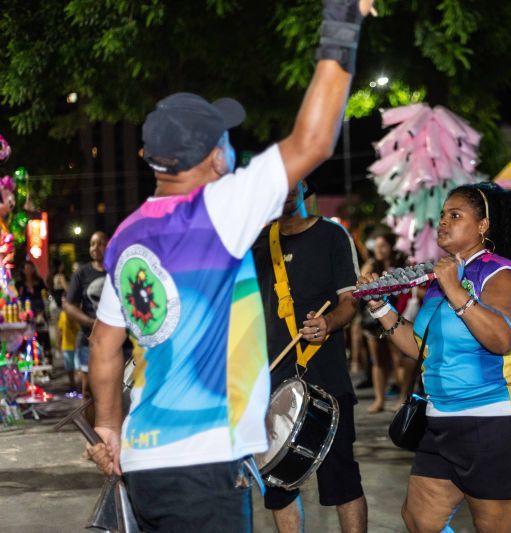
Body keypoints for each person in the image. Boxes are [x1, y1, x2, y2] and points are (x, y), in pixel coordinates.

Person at [83, 2, 374, 530]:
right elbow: (314, 142)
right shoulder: (220, 209)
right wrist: (343, 20)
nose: (233, 149)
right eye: (227, 139)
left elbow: (105, 346)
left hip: (144, 462)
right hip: (204, 464)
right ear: (214, 156)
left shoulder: (126, 237)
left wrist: (107, 429)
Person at [360, 182, 511, 533]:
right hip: (442, 420)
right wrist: (380, 308)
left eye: (456, 215)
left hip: (497, 421)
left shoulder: (502, 274)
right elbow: (423, 348)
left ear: (483, 226)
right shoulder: (440, 278)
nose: (443, 222)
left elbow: (501, 339)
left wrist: (456, 291)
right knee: (420, 520)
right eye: (443, 215)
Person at [251, 179, 366, 533]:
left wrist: (328, 323)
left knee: (341, 480)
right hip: (270, 380)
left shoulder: (332, 236)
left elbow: (350, 302)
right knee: (277, 484)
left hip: (326, 379)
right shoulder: (257, 245)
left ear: (304, 185)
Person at [359, 231, 412, 413]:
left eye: (383, 246)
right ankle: (379, 399)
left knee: (399, 358)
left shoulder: (401, 265)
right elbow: (359, 286)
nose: (379, 250)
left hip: (398, 315)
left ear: (391, 247)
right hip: (374, 319)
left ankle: (403, 397)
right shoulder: (371, 265)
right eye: (377, 246)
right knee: (378, 360)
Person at [64, 231, 108, 405]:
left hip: (117, 340)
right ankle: (91, 431)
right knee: (88, 390)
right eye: (92, 243)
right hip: (88, 340)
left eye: (100, 243)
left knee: (116, 388)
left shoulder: (117, 272)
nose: (95, 247)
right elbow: (69, 306)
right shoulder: (82, 274)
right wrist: (90, 322)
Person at [57, 298, 80, 393]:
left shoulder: (76, 313)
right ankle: (72, 386)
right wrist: (59, 344)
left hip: (77, 345)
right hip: (66, 345)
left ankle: (80, 387)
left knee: (78, 369)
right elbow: (59, 331)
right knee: (70, 368)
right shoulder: (62, 315)